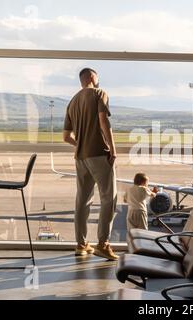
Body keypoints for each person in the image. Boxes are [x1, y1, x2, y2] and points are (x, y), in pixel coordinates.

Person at [63, 67, 119, 260]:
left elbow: (66, 137)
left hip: (80, 158)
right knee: (108, 199)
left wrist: (81, 143)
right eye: (97, 77)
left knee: (82, 201)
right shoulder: (99, 93)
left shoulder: (72, 101)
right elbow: (104, 122)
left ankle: (81, 244)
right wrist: (112, 149)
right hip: (98, 154)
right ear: (92, 77)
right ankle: (103, 244)